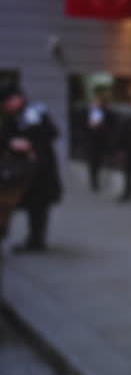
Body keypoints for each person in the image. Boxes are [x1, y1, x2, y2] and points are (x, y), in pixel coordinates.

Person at [0, 86, 62, 252]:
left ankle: (36, 239)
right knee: (26, 203)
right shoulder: (14, 117)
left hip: (38, 169)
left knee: (38, 204)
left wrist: (30, 144)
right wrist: (10, 143)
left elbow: (50, 133)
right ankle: (31, 238)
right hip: (22, 170)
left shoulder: (33, 112)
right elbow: (6, 136)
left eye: (7, 102)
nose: (6, 107)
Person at [77, 86, 115, 192]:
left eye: (100, 101)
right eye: (96, 101)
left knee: (101, 161)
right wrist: (89, 127)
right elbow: (81, 126)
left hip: (103, 140)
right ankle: (94, 181)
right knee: (93, 162)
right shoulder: (87, 112)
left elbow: (112, 126)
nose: (98, 103)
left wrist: (103, 126)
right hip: (91, 141)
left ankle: (101, 178)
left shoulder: (108, 113)